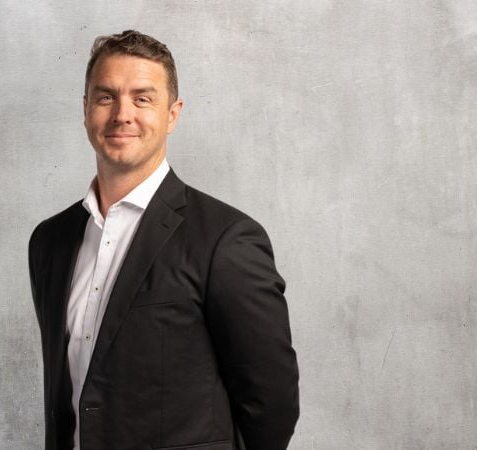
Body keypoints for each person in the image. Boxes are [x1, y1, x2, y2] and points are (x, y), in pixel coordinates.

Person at [28, 30, 299, 450]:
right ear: (85, 110)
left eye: (142, 99)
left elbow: (272, 405)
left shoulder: (225, 240)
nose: (122, 114)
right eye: (106, 97)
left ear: (172, 114)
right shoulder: (51, 242)